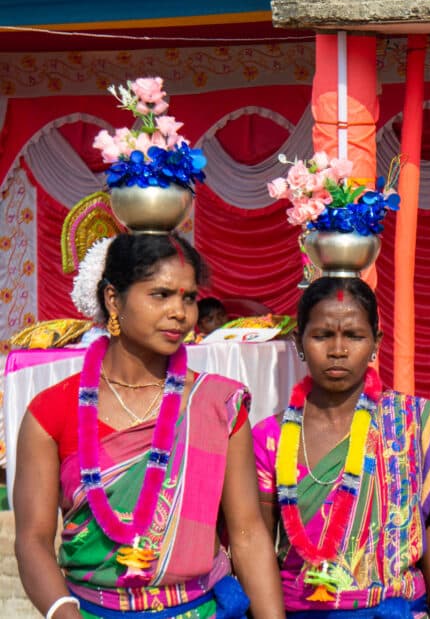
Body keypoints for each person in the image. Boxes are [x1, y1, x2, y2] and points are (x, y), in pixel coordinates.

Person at [14, 232, 284, 619]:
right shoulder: (52, 410)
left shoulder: (216, 405)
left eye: (188, 297)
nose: (180, 312)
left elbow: (248, 535)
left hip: (201, 610)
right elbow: (33, 539)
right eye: (161, 295)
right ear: (113, 299)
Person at [252, 276, 430, 619]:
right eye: (322, 335)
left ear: (376, 343)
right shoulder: (269, 439)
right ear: (299, 343)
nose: (338, 350)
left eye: (354, 336)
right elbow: (255, 549)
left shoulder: (414, 424)